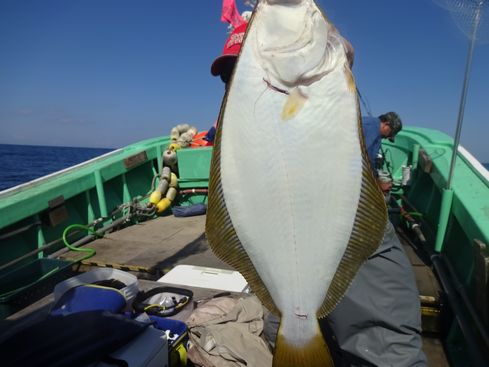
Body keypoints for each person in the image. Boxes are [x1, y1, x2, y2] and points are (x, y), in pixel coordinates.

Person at [210, 23, 427, 367]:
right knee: (279, 327)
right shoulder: (238, 128)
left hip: (336, 217)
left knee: (380, 350)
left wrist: (335, 60)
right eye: (230, 76)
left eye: (245, 67)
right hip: (279, 253)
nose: (239, 83)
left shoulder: (313, 90)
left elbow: (323, 112)